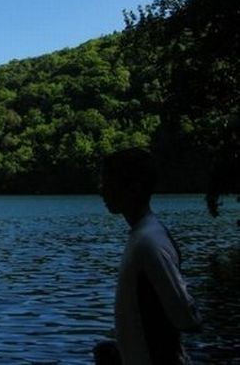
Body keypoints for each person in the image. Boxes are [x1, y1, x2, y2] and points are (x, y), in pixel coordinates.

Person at [95, 148, 202, 365]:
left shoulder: (149, 243)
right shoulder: (142, 236)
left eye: (108, 182)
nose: (101, 190)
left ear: (134, 188)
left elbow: (187, 319)